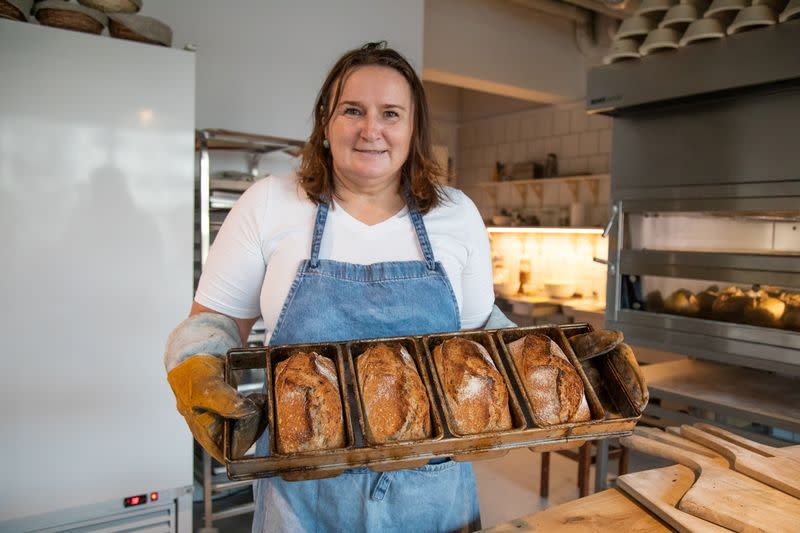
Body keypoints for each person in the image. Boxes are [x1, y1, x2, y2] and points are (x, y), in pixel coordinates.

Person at [164, 41, 515, 533]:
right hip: (303, 495)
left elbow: (480, 331)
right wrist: (196, 364)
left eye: (390, 113)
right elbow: (215, 321)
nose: (371, 129)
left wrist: (549, 354)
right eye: (353, 110)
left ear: (413, 130)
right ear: (325, 123)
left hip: (431, 493)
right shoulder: (269, 203)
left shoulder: (456, 214)